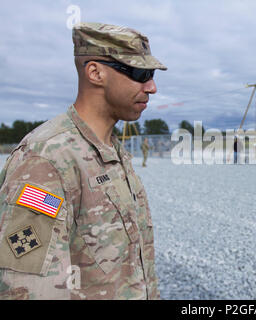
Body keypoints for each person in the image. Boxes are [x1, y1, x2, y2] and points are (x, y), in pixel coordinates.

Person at [0, 22, 167, 299]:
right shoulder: (47, 161)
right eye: (141, 73)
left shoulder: (112, 150)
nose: (152, 87)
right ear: (95, 72)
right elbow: (27, 288)